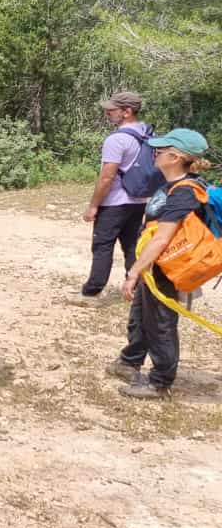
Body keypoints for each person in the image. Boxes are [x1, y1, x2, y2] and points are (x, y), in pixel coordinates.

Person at [108, 129, 212, 399]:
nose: (154, 152)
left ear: (175, 157)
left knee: (161, 323)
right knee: (141, 316)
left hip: (167, 269)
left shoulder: (184, 192)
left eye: (160, 149)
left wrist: (134, 272)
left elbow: (162, 238)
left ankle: (160, 382)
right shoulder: (171, 185)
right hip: (155, 267)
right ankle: (130, 361)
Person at [80, 91, 152, 299]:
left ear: (127, 112)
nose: (107, 113)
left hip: (114, 202)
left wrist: (93, 205)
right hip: (139, 200)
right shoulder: (146, 133)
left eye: (112, 110)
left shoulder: (117, 139)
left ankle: (92, 290)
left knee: (103, 245)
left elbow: (106, 177)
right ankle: (136, 287)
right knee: (131, 245)